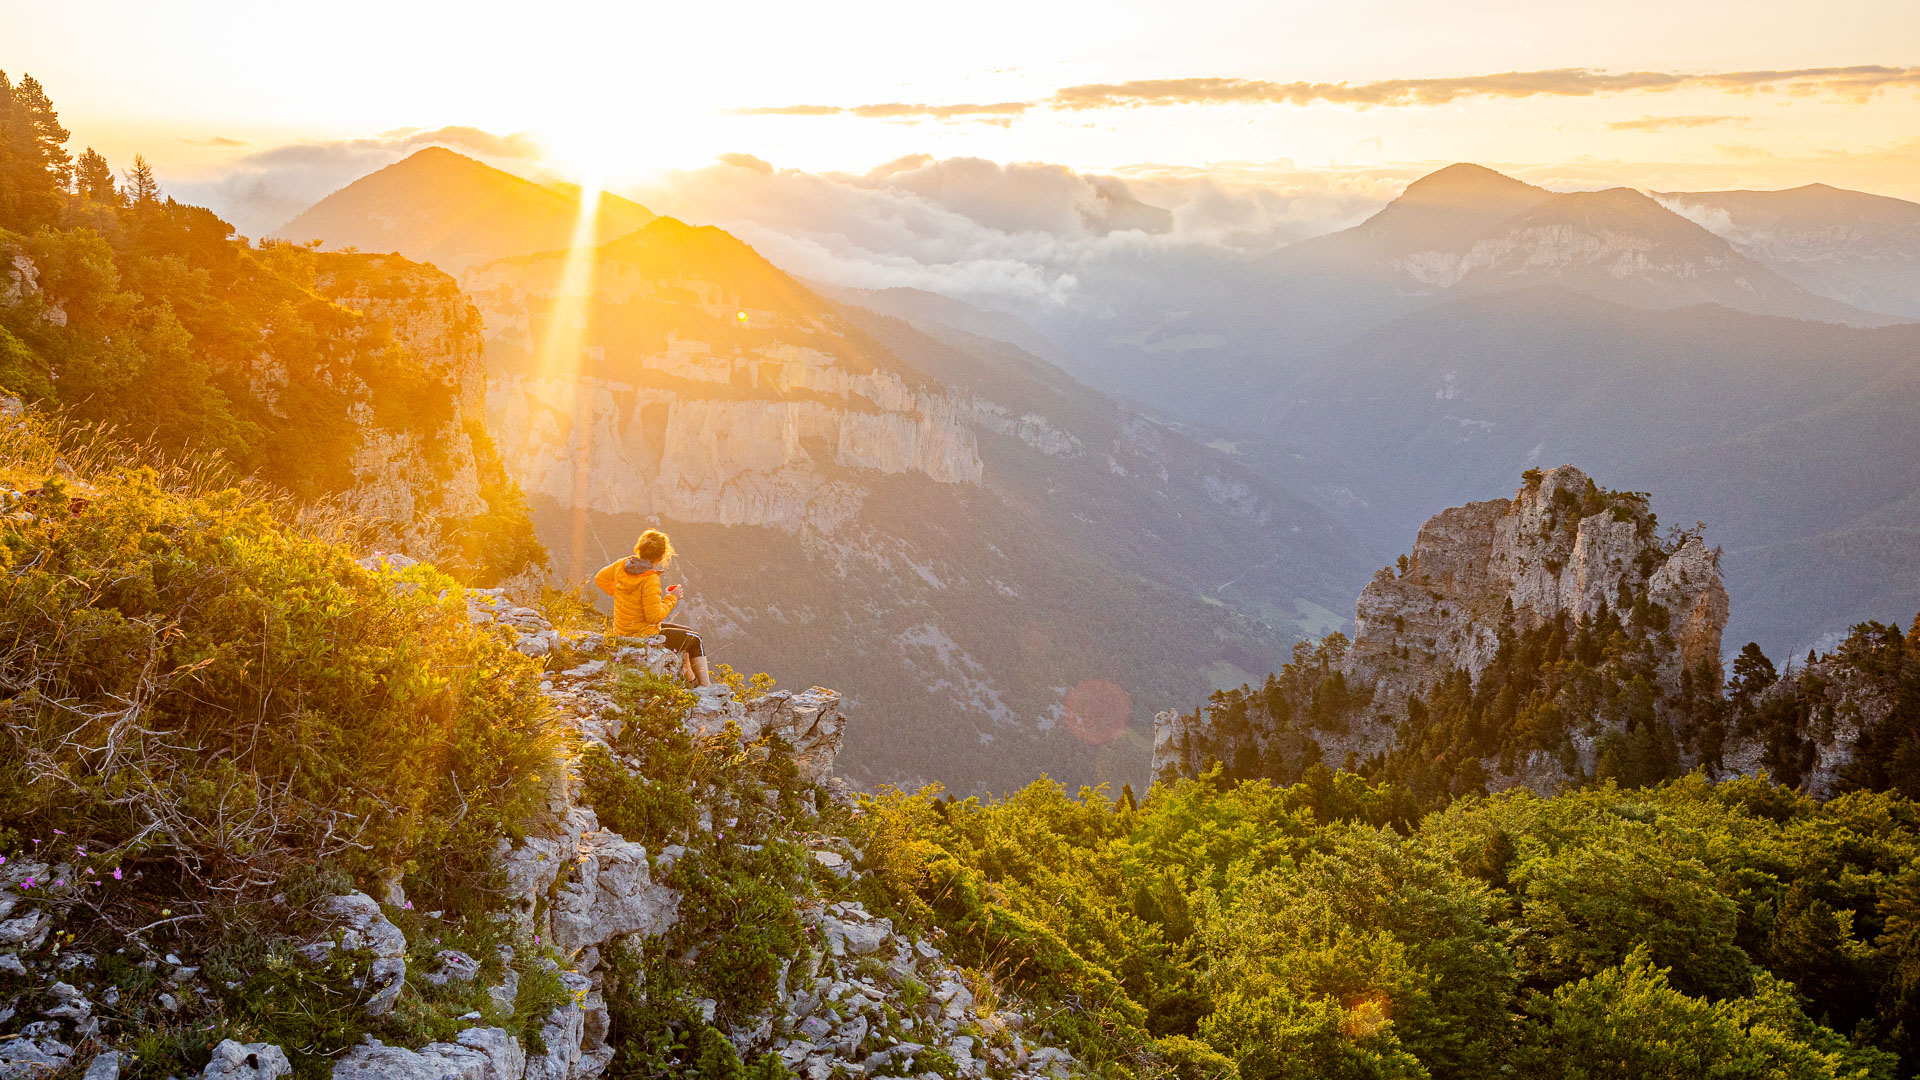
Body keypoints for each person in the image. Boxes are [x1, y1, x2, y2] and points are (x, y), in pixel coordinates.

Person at [593, 528, 711, 686]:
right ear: (662, 555)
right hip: (643, 635)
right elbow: (654, 616)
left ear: (639, 549)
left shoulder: (622, 564)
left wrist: (623, 595)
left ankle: (691, 680)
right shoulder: (650, 578)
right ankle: (706, 687)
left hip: (622, 630)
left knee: (687, 631)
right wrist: (672, 597)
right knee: (696, 639)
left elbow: (599, 578)